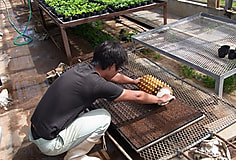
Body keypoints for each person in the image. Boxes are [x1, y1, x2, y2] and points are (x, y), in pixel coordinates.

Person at [29, 40, 175, 160]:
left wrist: (134, 81)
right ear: (112, 66)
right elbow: (138, 96)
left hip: (36, 131)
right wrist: (160, 99)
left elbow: (112, 76)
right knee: (103, 117)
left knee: (81, 109)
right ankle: (75, 157)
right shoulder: (96, 84)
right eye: (119, 69)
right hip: (49, 144)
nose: (119, 72)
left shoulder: (83, 68)